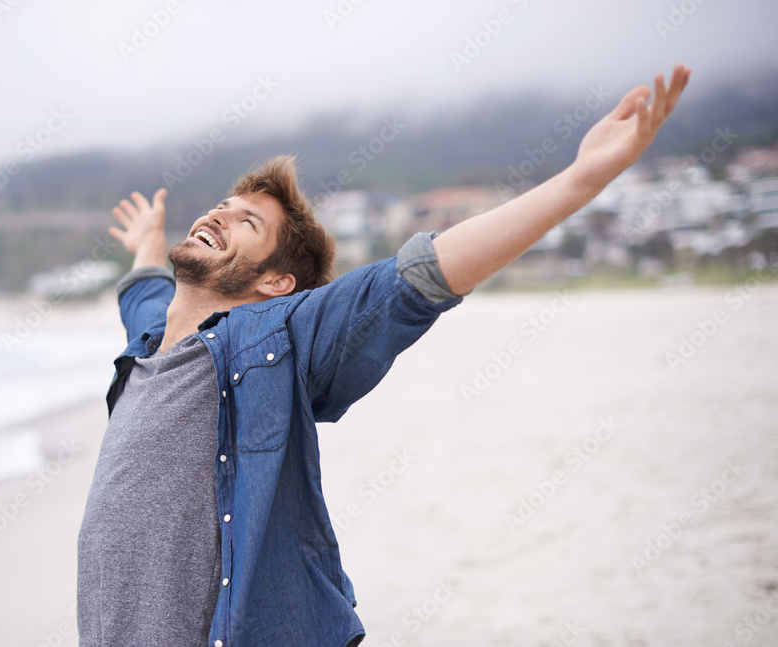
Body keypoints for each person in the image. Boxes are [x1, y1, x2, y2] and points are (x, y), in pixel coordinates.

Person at [76, 65, 692, 647]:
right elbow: (147, 294)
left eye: (246, 223)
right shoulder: (147, 347)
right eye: (223, 207)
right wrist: (147, 248)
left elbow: (418, 277)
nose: (219, 214)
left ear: (275, 283)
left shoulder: (276, 338)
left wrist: (581, 181)